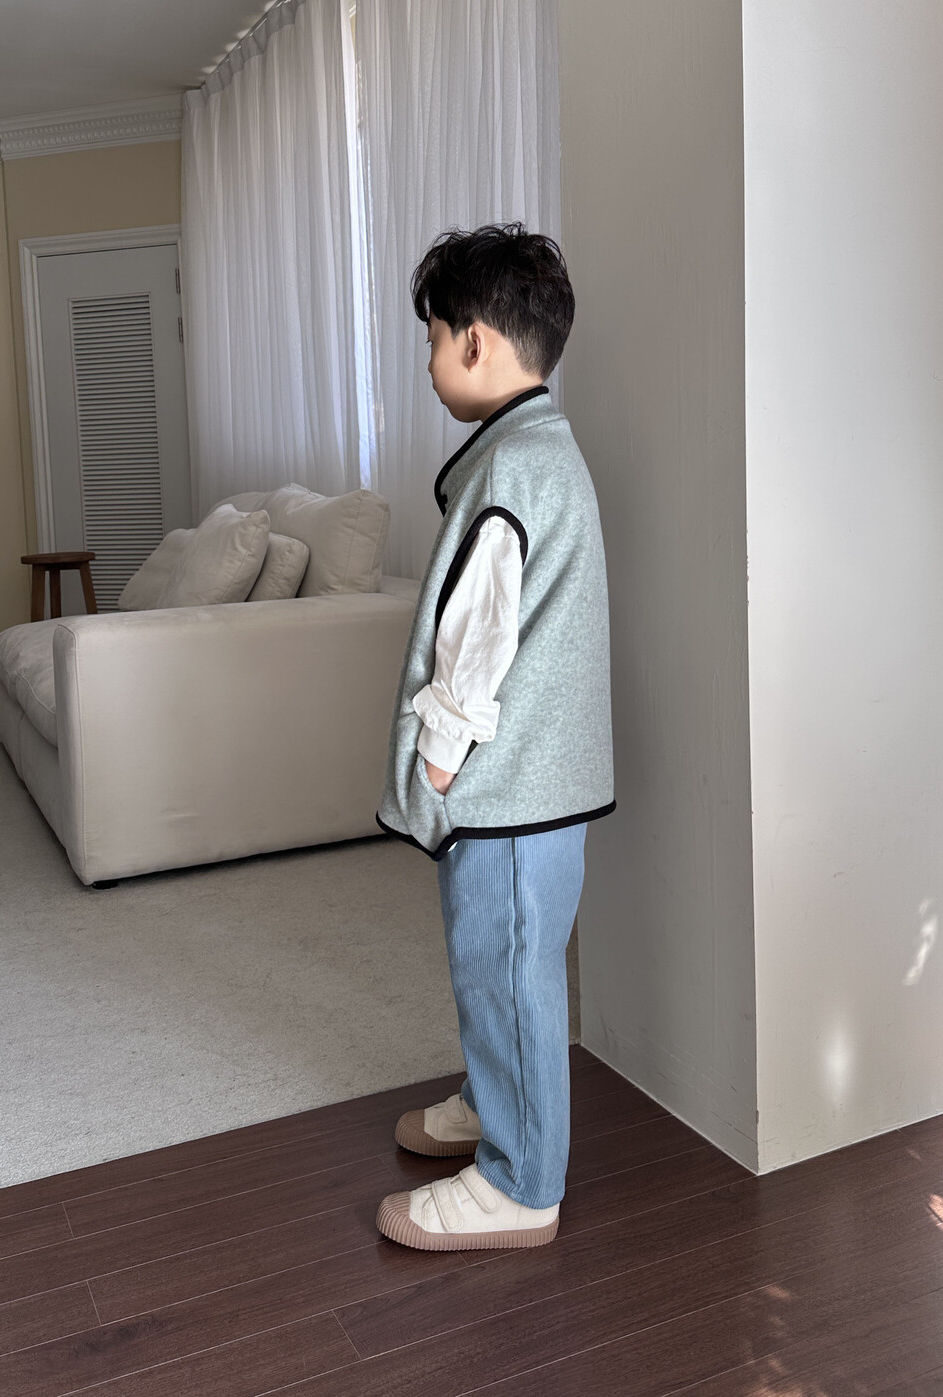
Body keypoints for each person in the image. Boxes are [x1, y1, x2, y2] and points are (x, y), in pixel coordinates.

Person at [375, 222, 614, 1250]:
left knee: (506, 961)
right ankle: (494, 1097)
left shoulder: (510, 473)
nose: (429, 361)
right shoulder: (542, 447)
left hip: (511, 786)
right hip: (543, 780)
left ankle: (521, 1182)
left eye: (431, 338)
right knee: (504, 956)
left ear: (474, 341)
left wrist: (436, 766)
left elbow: (476, 642)